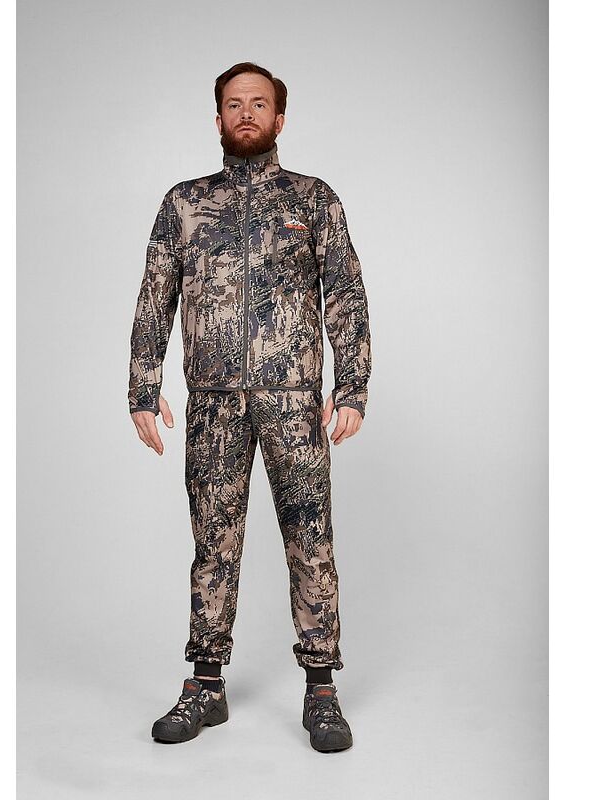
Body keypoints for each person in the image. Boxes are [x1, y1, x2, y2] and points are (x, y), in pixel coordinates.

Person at [128, 61, 372, 753]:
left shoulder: (312, 200)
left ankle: (321, 690)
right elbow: (155, 296)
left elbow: (345, 293)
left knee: (310, 540)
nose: (246, 114)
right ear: (217, 118)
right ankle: (206, 686)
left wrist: (352, 386)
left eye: (259, 104)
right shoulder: (184, 204)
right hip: (212, 405)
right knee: (213, 544)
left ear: (279, 118)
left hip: (294, 402)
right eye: (234, 104)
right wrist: (143, 386)